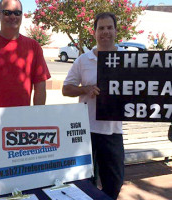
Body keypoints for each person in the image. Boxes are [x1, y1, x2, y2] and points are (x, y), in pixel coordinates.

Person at [62, 12, 125, 200]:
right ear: (94, 32)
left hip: (113, 131)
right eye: (101, 28)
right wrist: (85, 89)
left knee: (114, 182)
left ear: (115, 30)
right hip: (86, 130)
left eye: (109, 28)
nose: (105, 32)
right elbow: (66, 89)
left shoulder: (127, 59)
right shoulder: (83, 60)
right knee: (85, 182)